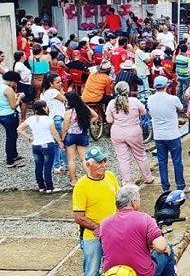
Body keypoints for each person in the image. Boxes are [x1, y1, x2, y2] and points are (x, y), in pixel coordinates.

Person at [97, 184, 175, 276]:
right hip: (141, 273)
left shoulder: (104, 223)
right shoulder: (145, 218)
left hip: (112, 273)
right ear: (134, 202)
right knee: (168, 249)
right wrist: (164, 248)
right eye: (139, 199)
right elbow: (161, 247)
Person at [72, 146, 119, 276]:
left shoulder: (110, 176)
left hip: (113, 233)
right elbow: (79, 217)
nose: (103, 165)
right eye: (99, 162)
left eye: (104, 161)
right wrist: (100, 229)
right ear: (88, 164)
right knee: (92, 271)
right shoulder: (81, 186)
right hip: (92, 237)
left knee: (115, 270)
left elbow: (119, 201)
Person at [149, 76, 190, 193]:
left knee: (162, 163)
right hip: (172, 134)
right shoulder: (173, 99)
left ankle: (165, 187)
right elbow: (181, 108)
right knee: (177, 161)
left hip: (158, 135)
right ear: (166, 86)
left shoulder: (150, 99)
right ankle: (181, 185)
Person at [106, 81, 154, 185]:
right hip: (134, 132)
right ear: (128, 90)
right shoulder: (134, 101)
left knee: (123, 159)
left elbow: (109, 120)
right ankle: (148, 177)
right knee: (140, 155)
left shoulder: (111, 103)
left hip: (117, 132)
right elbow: (144, 112)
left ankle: (127, 181)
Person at [17, 100, 65, 193]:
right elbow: (54, 133)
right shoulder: (48, 119)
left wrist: (30, 137)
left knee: (38, 166)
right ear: (44, 108)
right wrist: (60, 142)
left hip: (36, 145)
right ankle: (50, 187)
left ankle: (41, 186)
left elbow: (19, 129)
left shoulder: (31, 119)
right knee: (47, 167)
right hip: (47, 144)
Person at [0, 71, 25, 168]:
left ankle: (14, 154)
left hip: (2, 114)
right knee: (11, 137)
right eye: (15, 82)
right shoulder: (8, 89)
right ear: (11, 81)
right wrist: (20, 97)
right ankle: (10, 161)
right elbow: (13, 105)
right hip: (10, 115)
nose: (15, 84)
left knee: (13, 135)